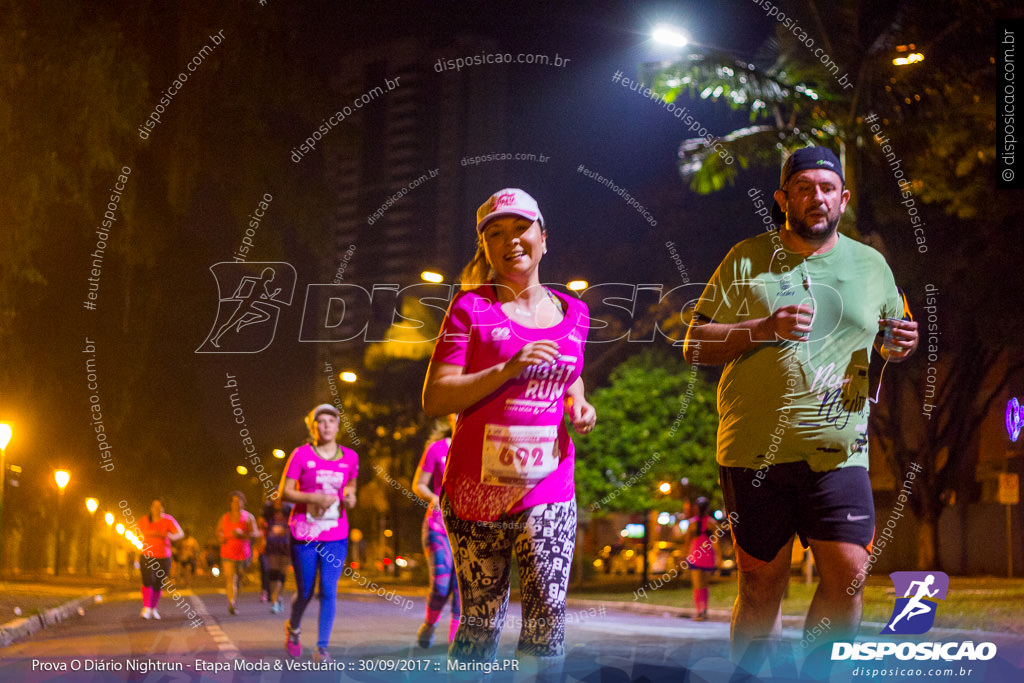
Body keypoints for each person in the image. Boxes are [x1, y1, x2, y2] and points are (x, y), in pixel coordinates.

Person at [683, 146, 919, 666]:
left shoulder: (871, 264)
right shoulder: (747, 257)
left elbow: (892, 338)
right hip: (754, 451)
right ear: (783, 198)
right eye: (805, 187)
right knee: (762, 584)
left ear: (843, 199)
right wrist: (763, 328)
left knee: (849, 573)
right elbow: (695, 342)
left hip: (839, 449)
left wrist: (900, 342)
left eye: (827, 188)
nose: (817, 197)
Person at [422, 188, 596, 680]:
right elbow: (436, 398)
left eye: (520, 229)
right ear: (486, 248)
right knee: (481, 623)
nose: (510, 240)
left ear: (543, 238)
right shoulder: (469, 309)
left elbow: (570, 371)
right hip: (477, 492)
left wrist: (578, 404)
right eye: (495, 234)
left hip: (550, 486)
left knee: (547, 621)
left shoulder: (574, 313)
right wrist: (507, 367)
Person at [280, 403, 358, 664]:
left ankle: (322, 647)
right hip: (304, 532)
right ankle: (293, 628)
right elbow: (285, 491)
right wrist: (314, 497)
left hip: (336, 533)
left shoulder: (350, 457)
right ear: (313, 427)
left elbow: (351, 488)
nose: (326, 425)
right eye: (320, 421)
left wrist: (350, 499)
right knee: (306, 591)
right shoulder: (300, 455)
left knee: (328, 589)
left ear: (338, 426)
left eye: (330, 421)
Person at [412, 415, 461, 648]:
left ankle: (455, 642)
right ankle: (430, 624)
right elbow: (419, 484)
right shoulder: (436, 449)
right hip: (438, 526)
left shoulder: (483, 446)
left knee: (462, 588)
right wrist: (434, 498)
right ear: (451, 414)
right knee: (441, 584)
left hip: (468, 529)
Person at [137, 498, 184, 620]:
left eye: (159, 506)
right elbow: (137, 531)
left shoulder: (168, 520)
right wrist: (148, 533)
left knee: (159, 582)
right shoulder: (145, 520)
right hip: (147, 554)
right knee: (148, 580)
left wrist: (170, 536)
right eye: (154, 506)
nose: (157, 509)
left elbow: (180, 533)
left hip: (163, 556)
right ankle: (146, 607)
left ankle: (153, 608)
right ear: (151, 508)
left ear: (163, 508)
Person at [217, 490, 259, 615]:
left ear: (243, 502)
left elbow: (256, 533)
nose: (236, 503)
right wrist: (221, 536)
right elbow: (218, 531)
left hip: (243, 553)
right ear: (230, 503)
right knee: (231, 577)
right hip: (227, 551)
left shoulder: (248, 517)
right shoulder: (224, 517)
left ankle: (234, 597)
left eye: (238, 501)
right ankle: (232, 602)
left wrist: (243, 534)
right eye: (234, 501)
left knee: (239, 578)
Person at [683, 497, 717, 621]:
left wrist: (684, 556)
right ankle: (702, 611)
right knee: (703, 585)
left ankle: (701, 611)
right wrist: (719, 558)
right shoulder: (711, 523)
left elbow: (687, 543)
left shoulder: (694, 523)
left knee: (698, 586)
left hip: (699, 557)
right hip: (704, 557)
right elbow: (716, 543)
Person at [261, 496, 294, 614]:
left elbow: (294, 526)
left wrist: (287, 530)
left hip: (285, 545)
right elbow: (262, 526)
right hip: (272, 545)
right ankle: (274, 600)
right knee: (273, 572)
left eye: (280, 498)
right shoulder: (268, 512)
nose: (277, 500)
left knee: (282, 573)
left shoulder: (289, 512)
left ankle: (279, 597)